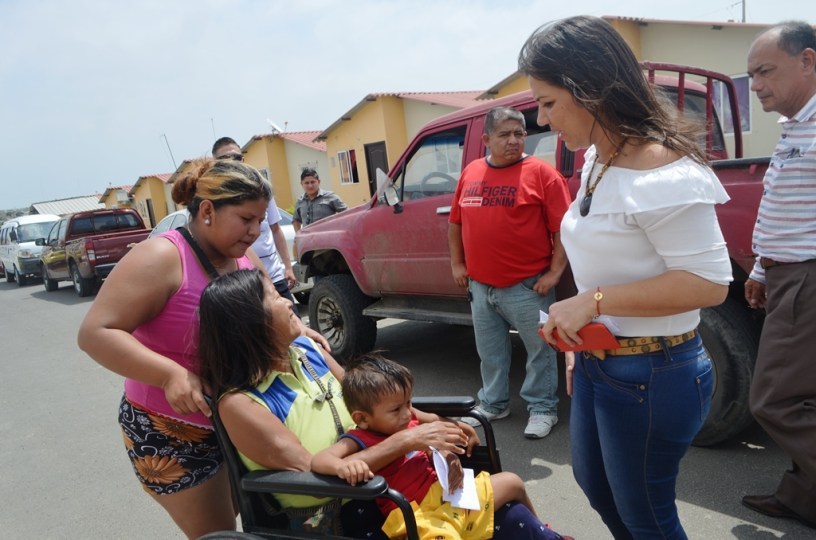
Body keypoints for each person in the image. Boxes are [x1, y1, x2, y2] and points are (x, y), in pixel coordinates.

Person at [520, 15, 733, 539]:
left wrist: (591, 302)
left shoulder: (662, 168)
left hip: (654, 372)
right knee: (599, 491)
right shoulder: (598, 156)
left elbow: (709, 283)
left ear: (588, 89)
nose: (542, 121)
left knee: (647, 517)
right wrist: (580, 339)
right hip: (600, 363)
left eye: (548, 102)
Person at [197, 268, 570, 539]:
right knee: (497, 522)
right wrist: (407, 441)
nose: (288, 299)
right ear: (249, 323)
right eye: (274, 297)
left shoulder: (306, 350)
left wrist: (433, 423)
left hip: (392, 478)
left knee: (510, 511)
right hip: (339, 510)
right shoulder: (242, 403)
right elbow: (316, 476)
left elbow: (367, 399)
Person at [77, 158, 327, 539]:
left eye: (260, 220)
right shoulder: (162, 258)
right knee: (217, 531)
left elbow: (274, 310)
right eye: (246, 219)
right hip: (174, 429)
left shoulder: (244, 256)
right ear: (207, 210)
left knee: (259, 519)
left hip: (240, 419)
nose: (255, 230)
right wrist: (170, 374)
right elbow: (95, 332)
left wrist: (303, 333)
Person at [312, 354, 572, 540]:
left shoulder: (409, 417)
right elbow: (320, 461)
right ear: (362, 418)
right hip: (416, 514)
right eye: (396, 409)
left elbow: (435, 420)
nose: (407, 413)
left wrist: (458, 429)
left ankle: (545, 532)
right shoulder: (358, 440)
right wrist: (345, 465)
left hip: (448, 494)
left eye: (408, 403)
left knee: (513, 482)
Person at [448, 106, 571, 439]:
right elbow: (456, 222)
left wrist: (555, 273)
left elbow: (564, 229)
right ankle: (493, 403)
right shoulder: (471, 172)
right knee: (491, 353)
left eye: (519, 134)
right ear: (487, 139)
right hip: (481, 285)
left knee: (540, 351)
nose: (514, 141)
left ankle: (543, 409)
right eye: (504, 134)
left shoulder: (543, 175)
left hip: (528, 286)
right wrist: (458, 264)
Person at [741, 21, 816, 529]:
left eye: (765, 71)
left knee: (775, 400)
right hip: (788, 275)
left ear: (808, 61)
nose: (757, 85)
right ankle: (802, 497)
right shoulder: (797, 127)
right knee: (803, 395)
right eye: (751, 75)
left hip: (808, 277)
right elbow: (788, 207)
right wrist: (763, 267)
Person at [212, 136, 297, 303]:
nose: (233, 162)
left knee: (295, 325)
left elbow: (275, 229)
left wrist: (287, 267)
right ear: (216, 164)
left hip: (274, 277)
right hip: (242, 285)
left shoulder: (261, 190)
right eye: (225, 159)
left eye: (237, 157)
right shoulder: (213, 200)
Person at [292, 167, 348, 231]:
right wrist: (298, 236)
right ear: (302, 184)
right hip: (308, 240)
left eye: (313, 182)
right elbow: (296, 220)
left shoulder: (330, 197)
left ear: (318, 182)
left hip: (327, 239)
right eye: (306, 183)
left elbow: (347, 214)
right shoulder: (300, 201)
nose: (310, 186)